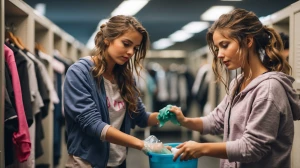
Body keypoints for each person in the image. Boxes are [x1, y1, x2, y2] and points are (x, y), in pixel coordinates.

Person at [168, 8, 300, 168]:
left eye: (225, 45)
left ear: (248, 41)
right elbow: (216, 121)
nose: (219, 55)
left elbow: (252, 148)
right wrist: (185, 120)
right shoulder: (238, 82)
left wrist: (202, 148)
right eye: (218, 48)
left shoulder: (269, 89)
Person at [63, 15, 162, 168]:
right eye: (126, 44)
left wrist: (165, 115)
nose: (130, 52)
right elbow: (92, 124)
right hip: (86, 163)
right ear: (108, 39)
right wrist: (142, 144)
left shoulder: (126, 78)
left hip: (118, 162)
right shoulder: (79, 72)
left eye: (135, 48)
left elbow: (141, 117)